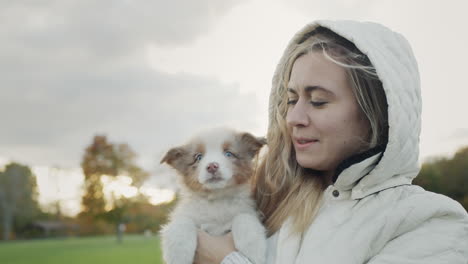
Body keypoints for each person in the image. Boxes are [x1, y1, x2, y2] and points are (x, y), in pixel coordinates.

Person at [194, 20, 468, 264]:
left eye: (318, 101)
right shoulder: (273, 204)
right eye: (291, 100)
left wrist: (226, 260)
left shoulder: (431, 222)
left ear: (375, 113)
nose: (294, 117)